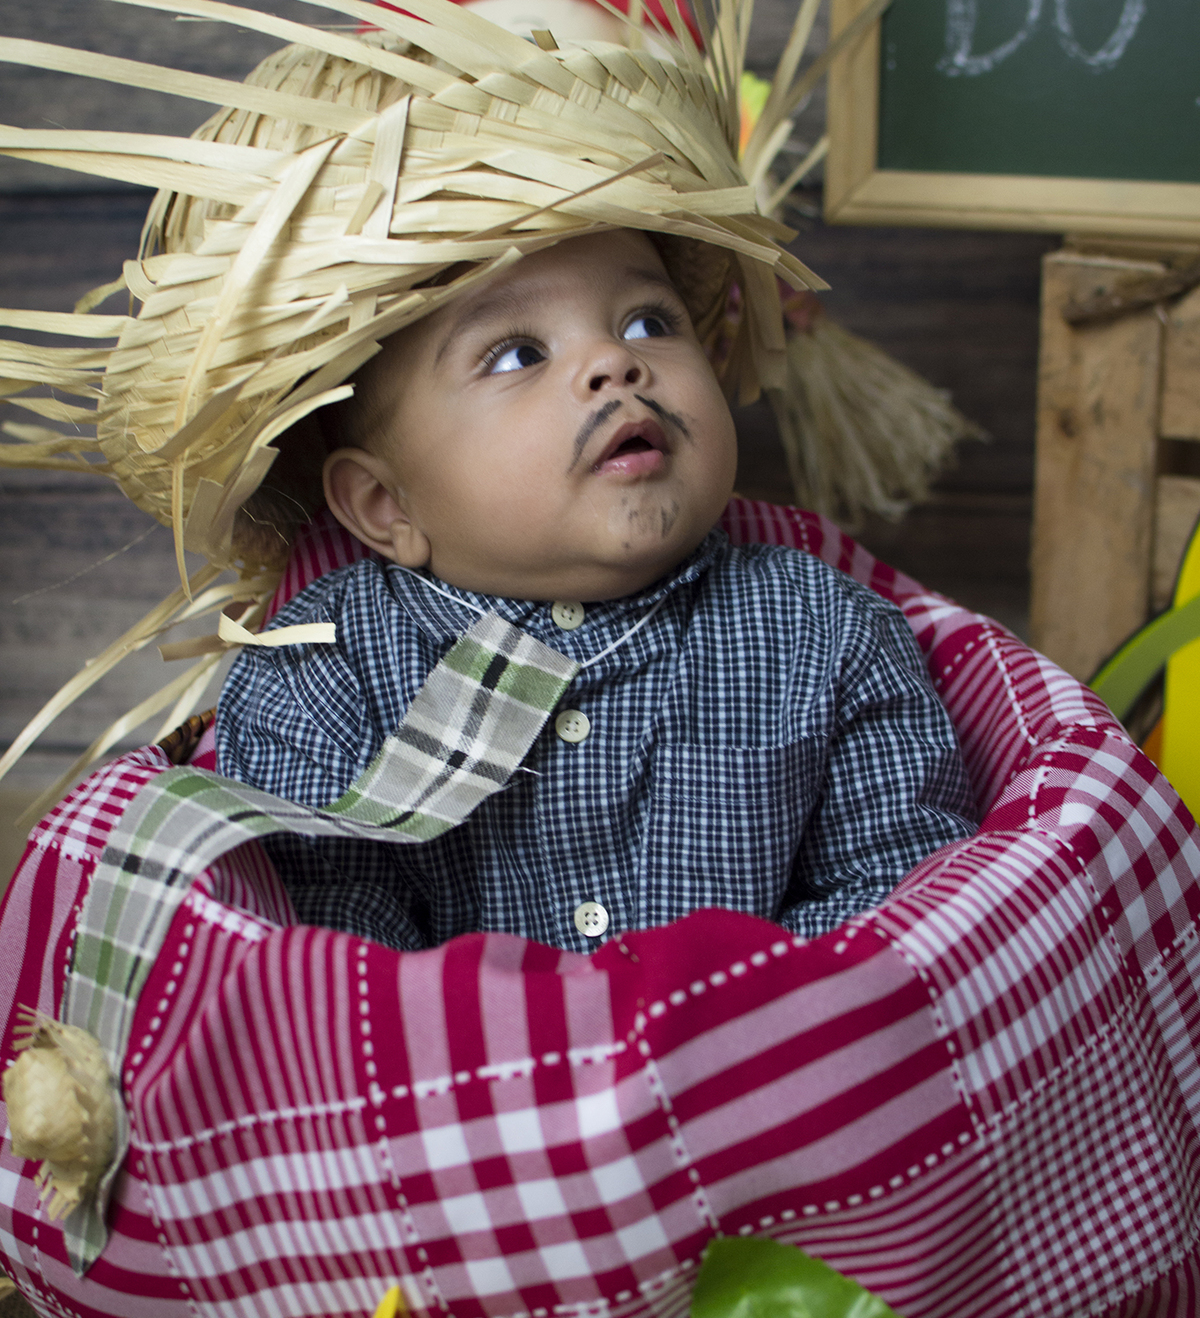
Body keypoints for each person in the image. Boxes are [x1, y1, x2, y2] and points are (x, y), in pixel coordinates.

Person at [215, 226, 976, 953]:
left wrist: (717, 1031)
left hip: (757, 1069)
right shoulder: (316, 673)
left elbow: (904, 900)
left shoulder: (823, 630)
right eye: (518, 353)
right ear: (389, 506)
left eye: (647, 323)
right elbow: (325, 967)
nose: (614, 361)